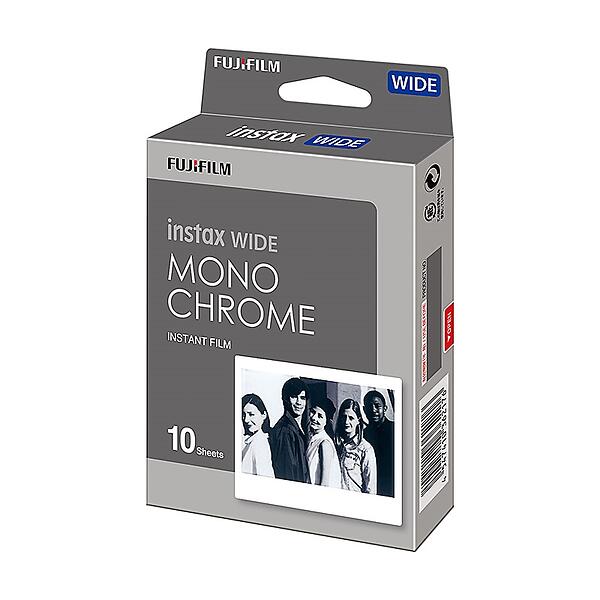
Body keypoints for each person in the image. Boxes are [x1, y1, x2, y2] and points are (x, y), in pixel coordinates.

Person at [269, 377, 310, 483]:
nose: (299, 402)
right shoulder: (285, 431)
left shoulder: (298, 427)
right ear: (286, 399)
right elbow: (287, 473)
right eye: (294, 397)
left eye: (302, 398)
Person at [335, 398, 377, 494]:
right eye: (344, 417)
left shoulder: (365, 449)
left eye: (351, 418)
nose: (346, 422)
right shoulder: (335, 444)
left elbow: (370, 488)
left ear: (358, 420)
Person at [363, 390, 395, 497]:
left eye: (377, 406)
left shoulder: (395, 430)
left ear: (385, 408)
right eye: (369, 406)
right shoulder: (364, 434)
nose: (373, 410)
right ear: (364, 409)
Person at [305, 397, 342, 488]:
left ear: (326, 421)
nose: (314, 418)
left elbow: (324, 483)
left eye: (320, 416)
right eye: (313, 412)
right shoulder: (314, 440)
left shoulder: (325, 444)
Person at [241, 394, 274, 477]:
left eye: (251, 414)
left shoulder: (260, 443)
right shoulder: (249, 440)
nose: (246, 420)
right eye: (244, 415)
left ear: (263, 415)